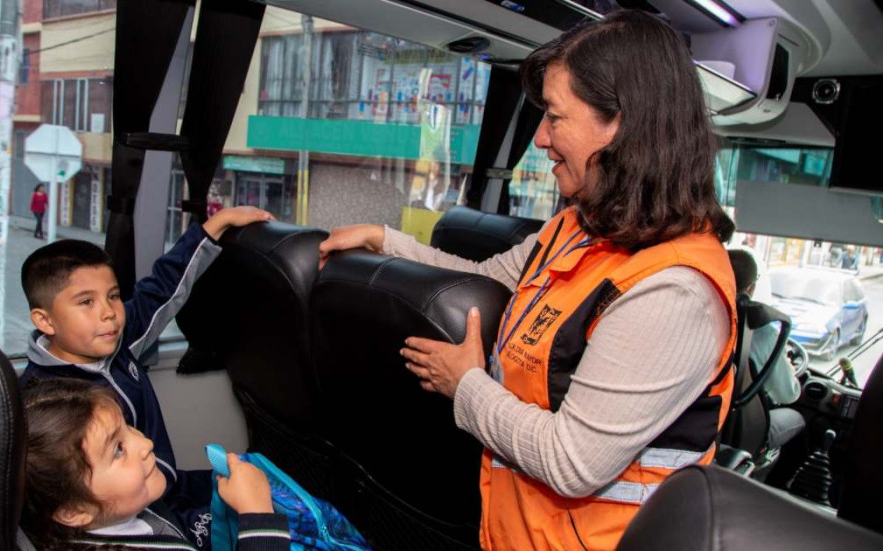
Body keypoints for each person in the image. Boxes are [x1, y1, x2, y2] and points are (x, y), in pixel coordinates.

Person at [319, 10, 737, 550]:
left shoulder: (675, 291)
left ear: (621, 126)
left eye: (555, 117)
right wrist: (385, 241)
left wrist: (465, 385)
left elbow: (572, 461)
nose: (539, 137)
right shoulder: (576, 229)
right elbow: (484, 278)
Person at [18, 206, 272, 528]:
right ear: (45, 320)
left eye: (112, 296)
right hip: (135, 511)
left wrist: (214, 226)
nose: (109, 313)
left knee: (268, 488)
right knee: (250, 522)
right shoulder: (45, 404)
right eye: (86, 302)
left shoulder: (115, 342)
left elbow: (160, 288)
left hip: (167, 484)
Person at [20, 377, 290, 550]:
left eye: (128, 426)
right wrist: (257, 515)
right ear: (73, 511)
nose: (146, 443)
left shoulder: (123, 512)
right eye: (117, 450)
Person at [729, 249, 805, 450]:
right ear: (752, 287)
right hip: (736, 431)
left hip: (699, 419)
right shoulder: (764, 334)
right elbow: (787, 394)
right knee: (798, 418)